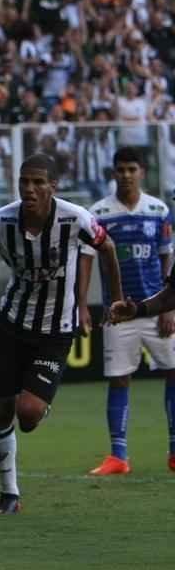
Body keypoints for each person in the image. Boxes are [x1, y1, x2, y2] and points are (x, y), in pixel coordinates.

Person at [0, 154, 123, 515]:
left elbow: (107, 247)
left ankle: (40, 400)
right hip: (12, 324)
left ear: (54, 186)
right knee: (2, 407)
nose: (30, 189)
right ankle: (9, 495)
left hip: (55, 330)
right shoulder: (0, 221)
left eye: (39, 182)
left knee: (29, 414)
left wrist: (115, 299)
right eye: (25, 181)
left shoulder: (75, 218)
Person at [91, 149, 175, 474]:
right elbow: (88, 258)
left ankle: (173, 450)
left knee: (173, 372)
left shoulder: (158, 209)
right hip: (119, 311)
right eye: (120, 169)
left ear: (142, 171)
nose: (126, 174)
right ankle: (118, 456)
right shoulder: (99, 212)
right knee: (119, 379)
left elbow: (166, 256)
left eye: (132, 169)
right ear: (113, 173)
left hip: (158, 309)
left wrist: (170, 306)